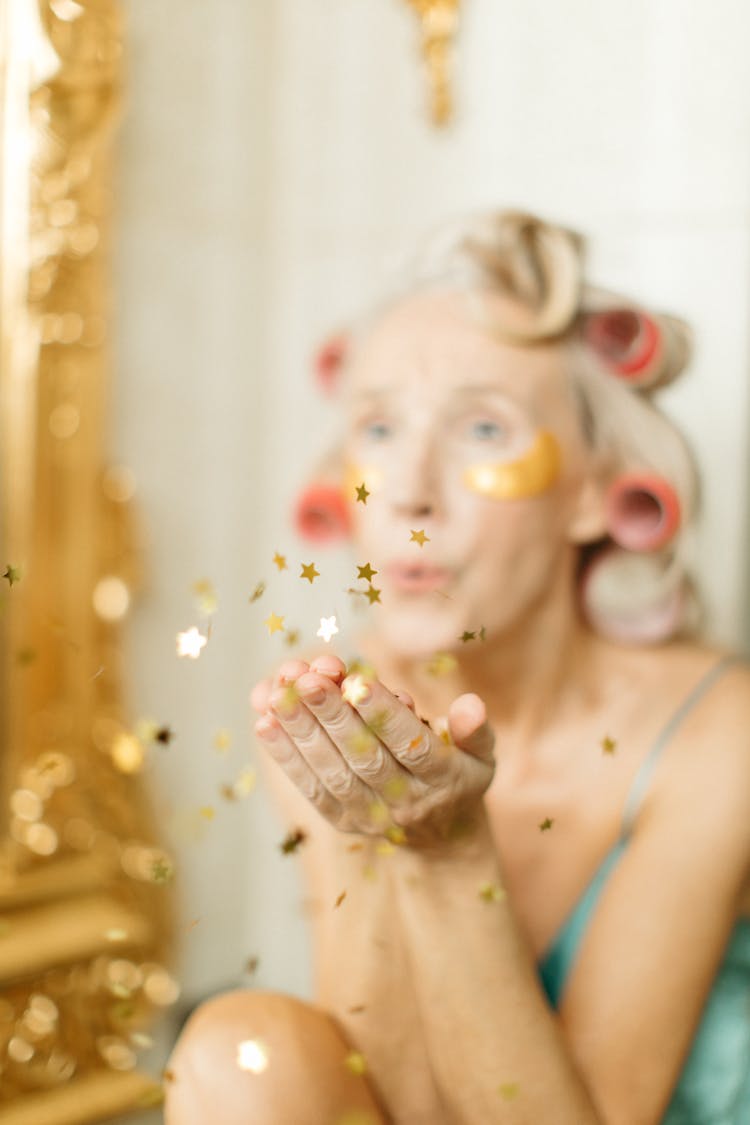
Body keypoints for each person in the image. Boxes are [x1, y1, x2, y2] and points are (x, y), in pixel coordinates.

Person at [164, 211, 750, 1124]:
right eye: (380, 427)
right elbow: (406, 1110)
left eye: (483, 428)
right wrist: (379, 832)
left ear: (597, 488)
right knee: (244, 1051)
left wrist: (446, 855)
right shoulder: (333, 714)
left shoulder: (722, 735)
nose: (406, 490)